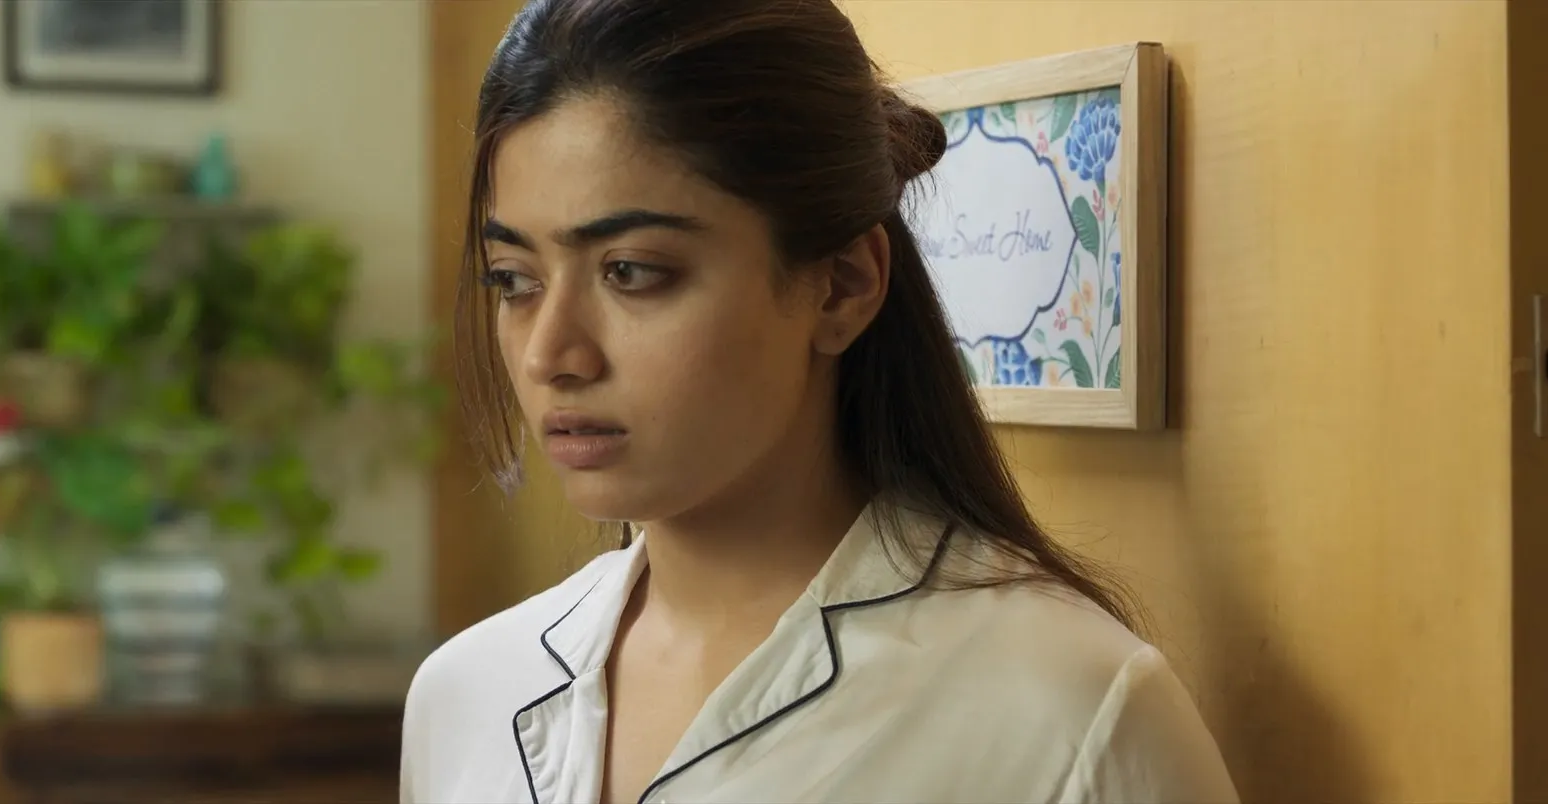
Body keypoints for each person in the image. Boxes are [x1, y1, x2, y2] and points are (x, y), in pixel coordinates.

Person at [400, 1, 1238, 802]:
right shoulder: (468, 695)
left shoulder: (1072, 718)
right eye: (514, 280)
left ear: (842, 285)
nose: (550, 355)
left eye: (632, 272)